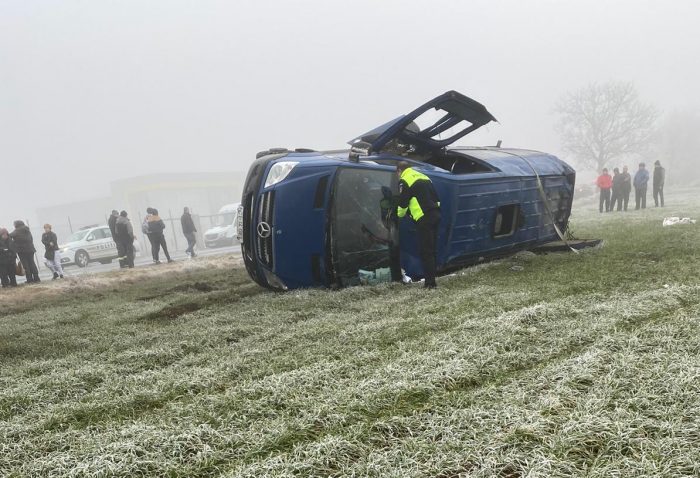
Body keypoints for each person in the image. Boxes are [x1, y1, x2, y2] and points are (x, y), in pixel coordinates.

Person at [396, 161, 441, 289]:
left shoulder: (404, 180)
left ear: (399, 171)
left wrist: (398, 215)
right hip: (436, 215)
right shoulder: (424, 177)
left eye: (397, 174)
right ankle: (432, 279)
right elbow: (436, 198)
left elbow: (403, 202)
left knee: (426, 252)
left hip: (424, 218)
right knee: (431, 250)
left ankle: (430, 284)